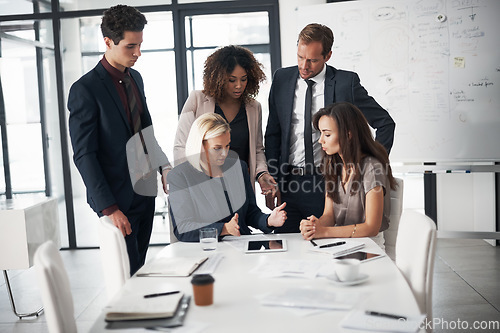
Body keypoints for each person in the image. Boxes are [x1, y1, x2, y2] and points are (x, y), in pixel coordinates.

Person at [67, 5, 172, 275]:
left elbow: (144, 131)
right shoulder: (85, 90)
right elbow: (84, 154)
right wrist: (109, 208)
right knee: (124, 275)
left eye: (140, 45)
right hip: (117, 202)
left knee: (139, 270)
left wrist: (164, 166)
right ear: (108, 42)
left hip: (145, 194)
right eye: (130, 46)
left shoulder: (135, 78)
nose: (138, 53)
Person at [265, 23, 395, 233]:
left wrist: (368, 164)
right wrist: (273, 180)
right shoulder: (282, 79)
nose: (304, 66)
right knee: (285, 250)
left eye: (313, 60)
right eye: (300, 57)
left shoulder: (346, 83)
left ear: (328, 56)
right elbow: (273, 134)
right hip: (288, 181)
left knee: (323, 248)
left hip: (328, 181)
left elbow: (385, 123)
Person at [173, 45, 277, 202]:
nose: (239, 85)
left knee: (239, 226)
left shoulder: (254, 107)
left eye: (244, 79)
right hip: (202, 188)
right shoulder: (197, 100)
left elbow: (257, 149)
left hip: (239, 188)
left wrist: (262, 173)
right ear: (219, 78)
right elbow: (181, 146)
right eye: (231, 80)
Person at [168, 113, 287, 242]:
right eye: (217, 148)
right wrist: (224, 229)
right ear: (200, 146)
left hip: (242, 248)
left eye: (227, 146)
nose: (224, 153)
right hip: (206, 249)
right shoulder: (180, 176)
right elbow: (183, 228)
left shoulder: (238, 167)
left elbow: (250, 213)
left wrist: (268, 220)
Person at [299, 102, 397, 248]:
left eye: (327, 134)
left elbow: (371, 227)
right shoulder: (334, 165)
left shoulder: (372, 167)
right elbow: (329, 216)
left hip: (369, 246)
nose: (321, 140)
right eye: (321, 134)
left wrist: (325, 232)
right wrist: (315, 226)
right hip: (339, 242)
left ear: (348, 134)